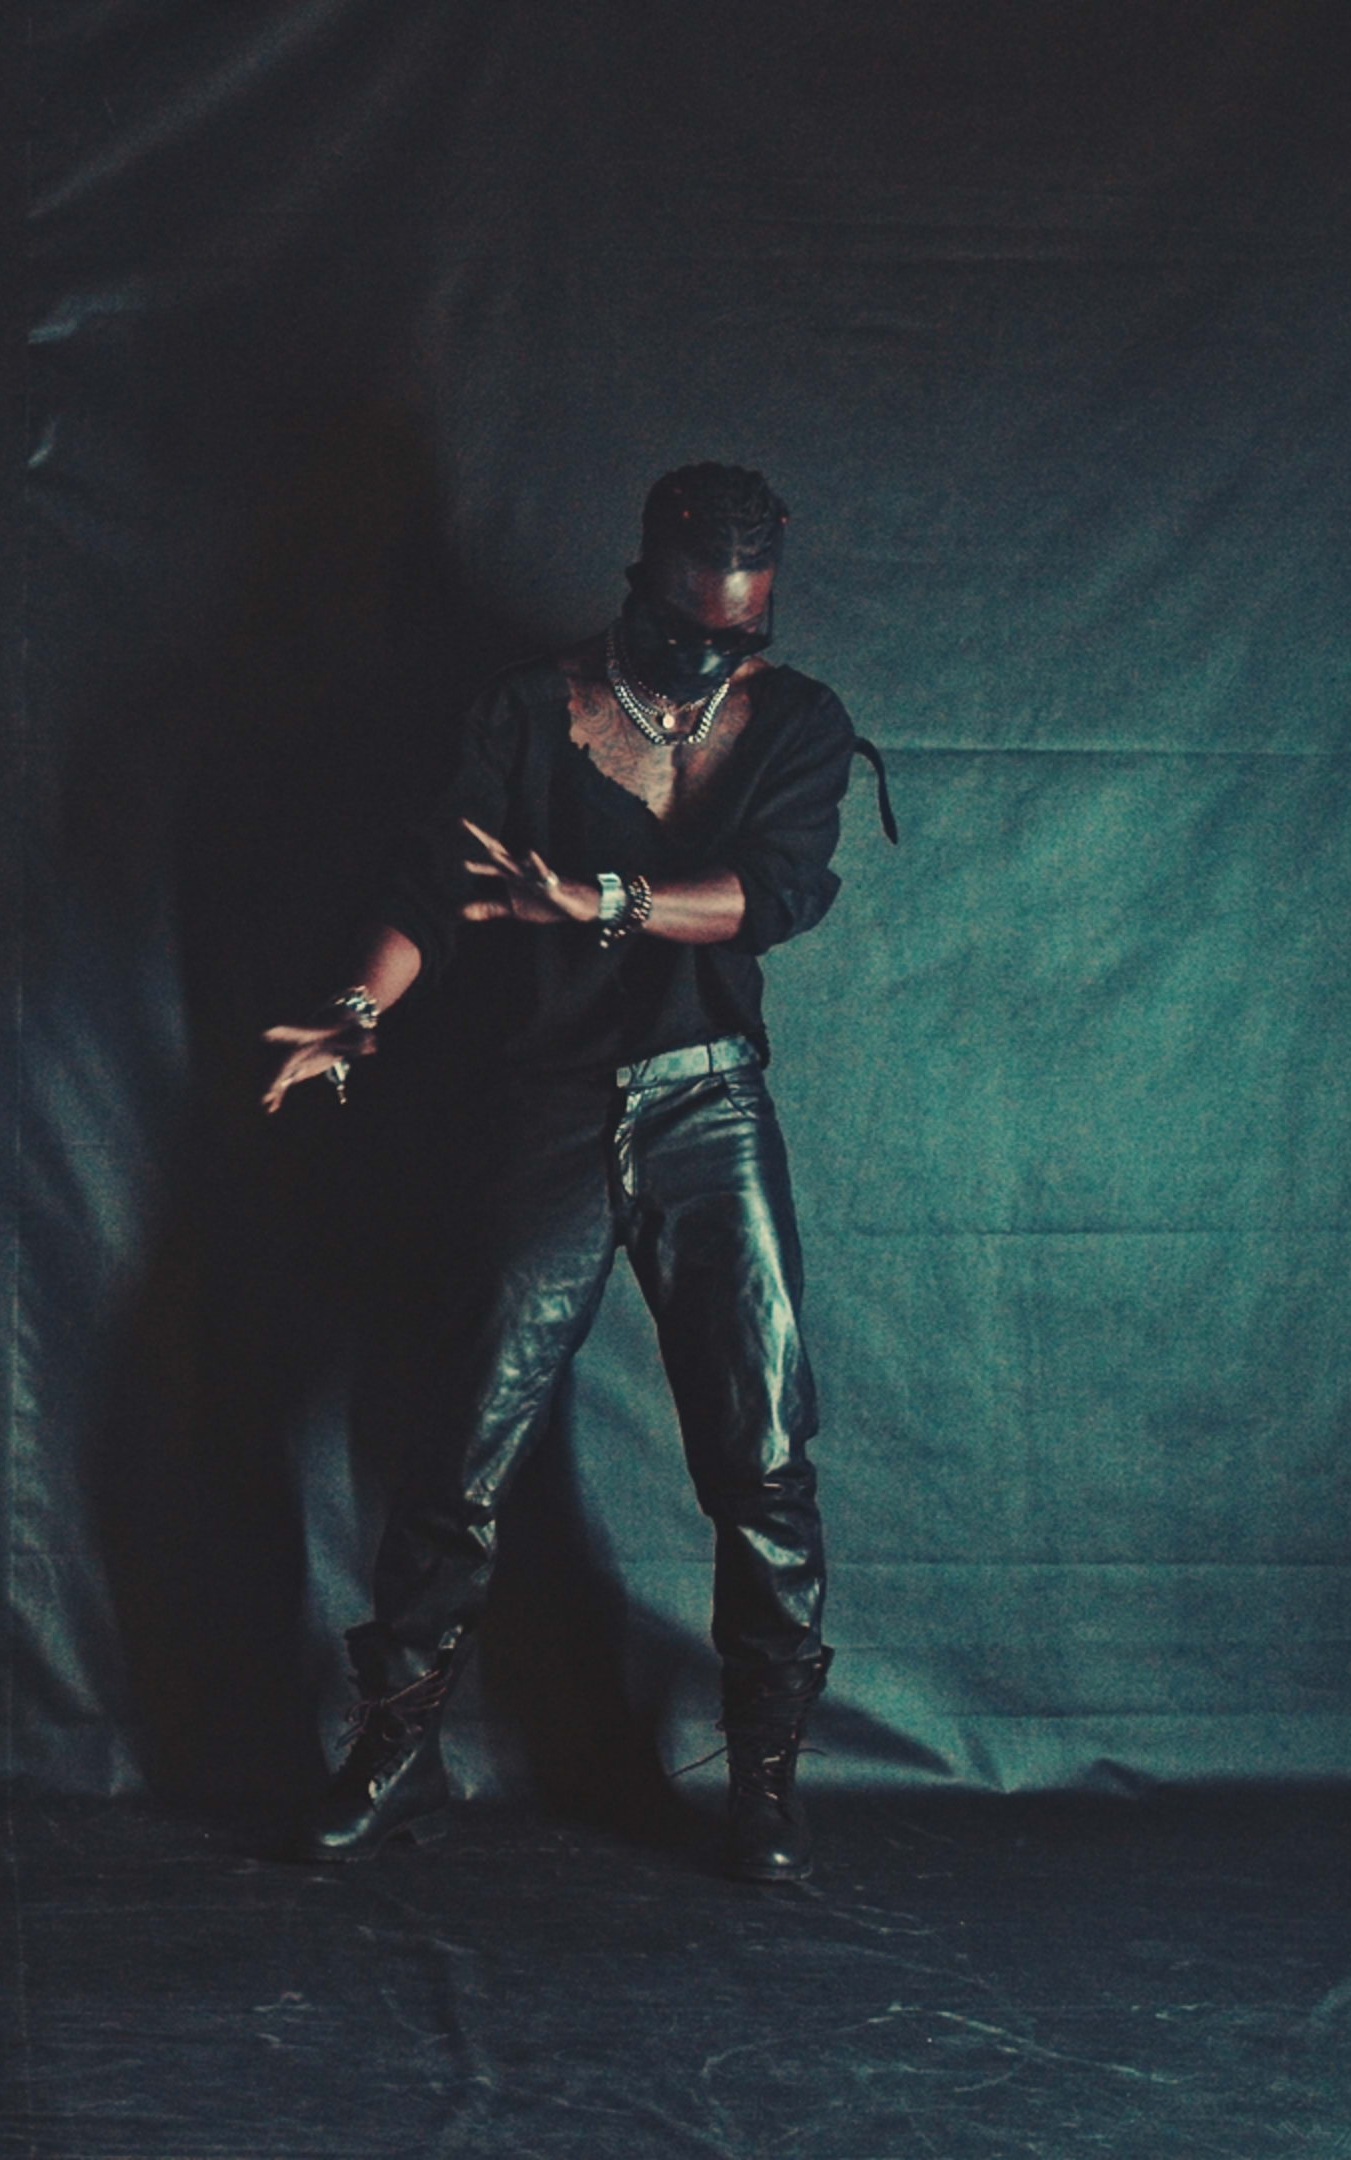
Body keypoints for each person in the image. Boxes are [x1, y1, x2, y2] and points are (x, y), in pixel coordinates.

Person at [262, 463, 883, 1883]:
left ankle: (769, 1785)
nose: (719, 653)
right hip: (545, 1111)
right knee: (459, 1453)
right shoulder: (525, 714)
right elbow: (434, 893)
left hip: (707, 1109)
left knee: (766, 1456)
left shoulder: (796, 726)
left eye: (746, 629)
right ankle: (394, 1753)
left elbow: (769, 900)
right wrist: (357, 1017)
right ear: (643, 583)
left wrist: (602, 899)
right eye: (693, 622)